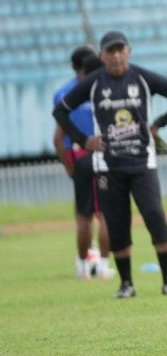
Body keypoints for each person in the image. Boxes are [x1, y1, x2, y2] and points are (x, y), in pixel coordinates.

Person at [52, 31, 167, 299]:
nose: (116, 56)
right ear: (103, 55)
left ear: (129, 51)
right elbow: (60, 111)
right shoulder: (94, 83)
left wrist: (158, 125)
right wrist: (84, 140)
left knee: (154, 215)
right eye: (110, 51)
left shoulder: (143, 77)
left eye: (121, 50)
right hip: (107, 165)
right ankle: (126, 284)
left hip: (142, 163)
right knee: (116, 222)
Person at [52, 47, 113, 280]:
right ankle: (105, 264)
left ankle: (82, 267)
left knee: (83, 217)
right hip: (105, 156)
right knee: (105, 214)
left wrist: (70, 167)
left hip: (79, 156)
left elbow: (58, 137)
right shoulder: (107, 93)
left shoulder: (64, 95)